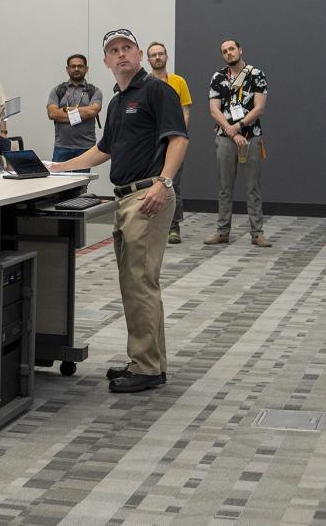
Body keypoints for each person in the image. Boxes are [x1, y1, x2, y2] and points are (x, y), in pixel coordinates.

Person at [50, 28, 188, 394]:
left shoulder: (158, 91)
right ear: (107, 62)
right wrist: (61, 167)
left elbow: (178, 138)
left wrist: (165, 183)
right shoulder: (115, 103)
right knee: (138, 284)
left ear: (140, 55)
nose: (122, 54)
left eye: (128, 48)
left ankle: (146, 368)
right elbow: (104, 149)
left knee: (140, 284)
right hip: (125, 198)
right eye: (114, 50)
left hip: (149, 195)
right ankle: (147, 361)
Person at [206, 39, 269, 247]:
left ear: (240, 50)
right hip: (225, 138)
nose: (229, 53)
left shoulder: (256, 75)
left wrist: (239, 126)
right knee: (225, 187)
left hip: (251, 136)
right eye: (224, 51)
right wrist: (232, 132)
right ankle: (222, 231)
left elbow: (259, 108)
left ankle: (257, 233)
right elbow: (214, 110)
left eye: (232, 49)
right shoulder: (218, 77)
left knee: (253, 187)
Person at [146, 41, 192, 244]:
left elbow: (185, 111)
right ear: (148, 60)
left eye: (161, 54)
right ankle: (149, 227)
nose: (157, 57)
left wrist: (179, 135)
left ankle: (174, 228)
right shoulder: (144, 84)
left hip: (172, 142)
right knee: (148, 185)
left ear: (166, 57)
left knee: (173, 186)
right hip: (150, 146)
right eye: (153, 55)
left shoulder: (178, 82)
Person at [46, 54, 102, 171]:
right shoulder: (57, 90)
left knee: (81, 186)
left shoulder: (94, 91)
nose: (76, 69)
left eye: (80, 66)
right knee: (58, 185)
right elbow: (52, 114)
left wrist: (66, 110)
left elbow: (92, 111)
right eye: (73, 66)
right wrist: (83, 112)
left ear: (86, 69)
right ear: (67, 69)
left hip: (86, 148)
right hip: (61, 147)